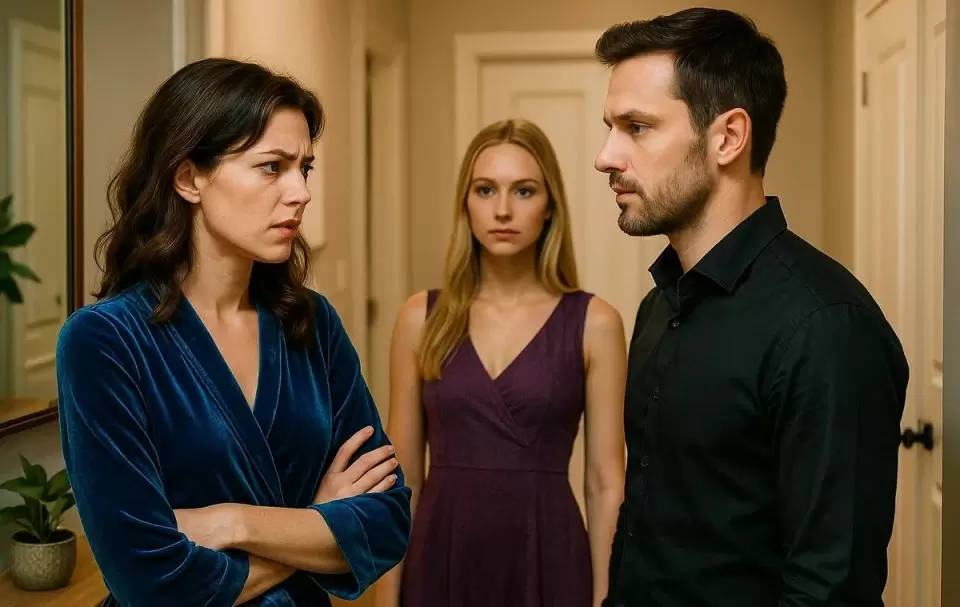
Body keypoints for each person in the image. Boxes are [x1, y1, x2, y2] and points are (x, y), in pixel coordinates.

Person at [56, 57, 411, 607]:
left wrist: (232, 521)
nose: (300, 192)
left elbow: (386, 522)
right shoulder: (104, 342)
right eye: (271, 167)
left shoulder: (311, 324)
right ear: (188, 178)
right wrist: (316, 523)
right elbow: (149, 581)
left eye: (304, 168)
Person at [593, 8, 908, 607]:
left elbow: (830, 588)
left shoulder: (824, 327)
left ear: (729, 137)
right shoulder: (659, 306)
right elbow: (645, 526)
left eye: (637, 127)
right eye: (610, 127)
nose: (605, 156)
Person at [375, 118, 626, 607]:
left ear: (550, 206)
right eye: (486, 190)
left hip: (547, 553)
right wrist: (386, 600)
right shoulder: (419, 319)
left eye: (524, 191)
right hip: (442, 553)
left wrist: (605, 599)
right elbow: (402, 481)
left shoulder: (595, 323)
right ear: (465, 204)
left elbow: (604, 484)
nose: (503, 210)